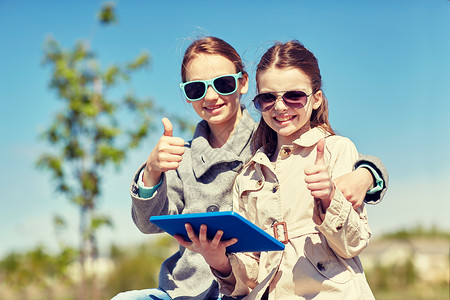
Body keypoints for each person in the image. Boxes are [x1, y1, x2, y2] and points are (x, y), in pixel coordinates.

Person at [113, 37, 387, 300]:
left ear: (243, 83)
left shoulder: (273, 139)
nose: (211, 96)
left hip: (254, 286)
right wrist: (151, 172)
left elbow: (341, 160)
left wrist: (366, 174)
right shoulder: (181, 157)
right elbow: (149, 222)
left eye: (222, 83)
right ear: (186, 95)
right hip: (191, 287)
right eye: (196, 88)